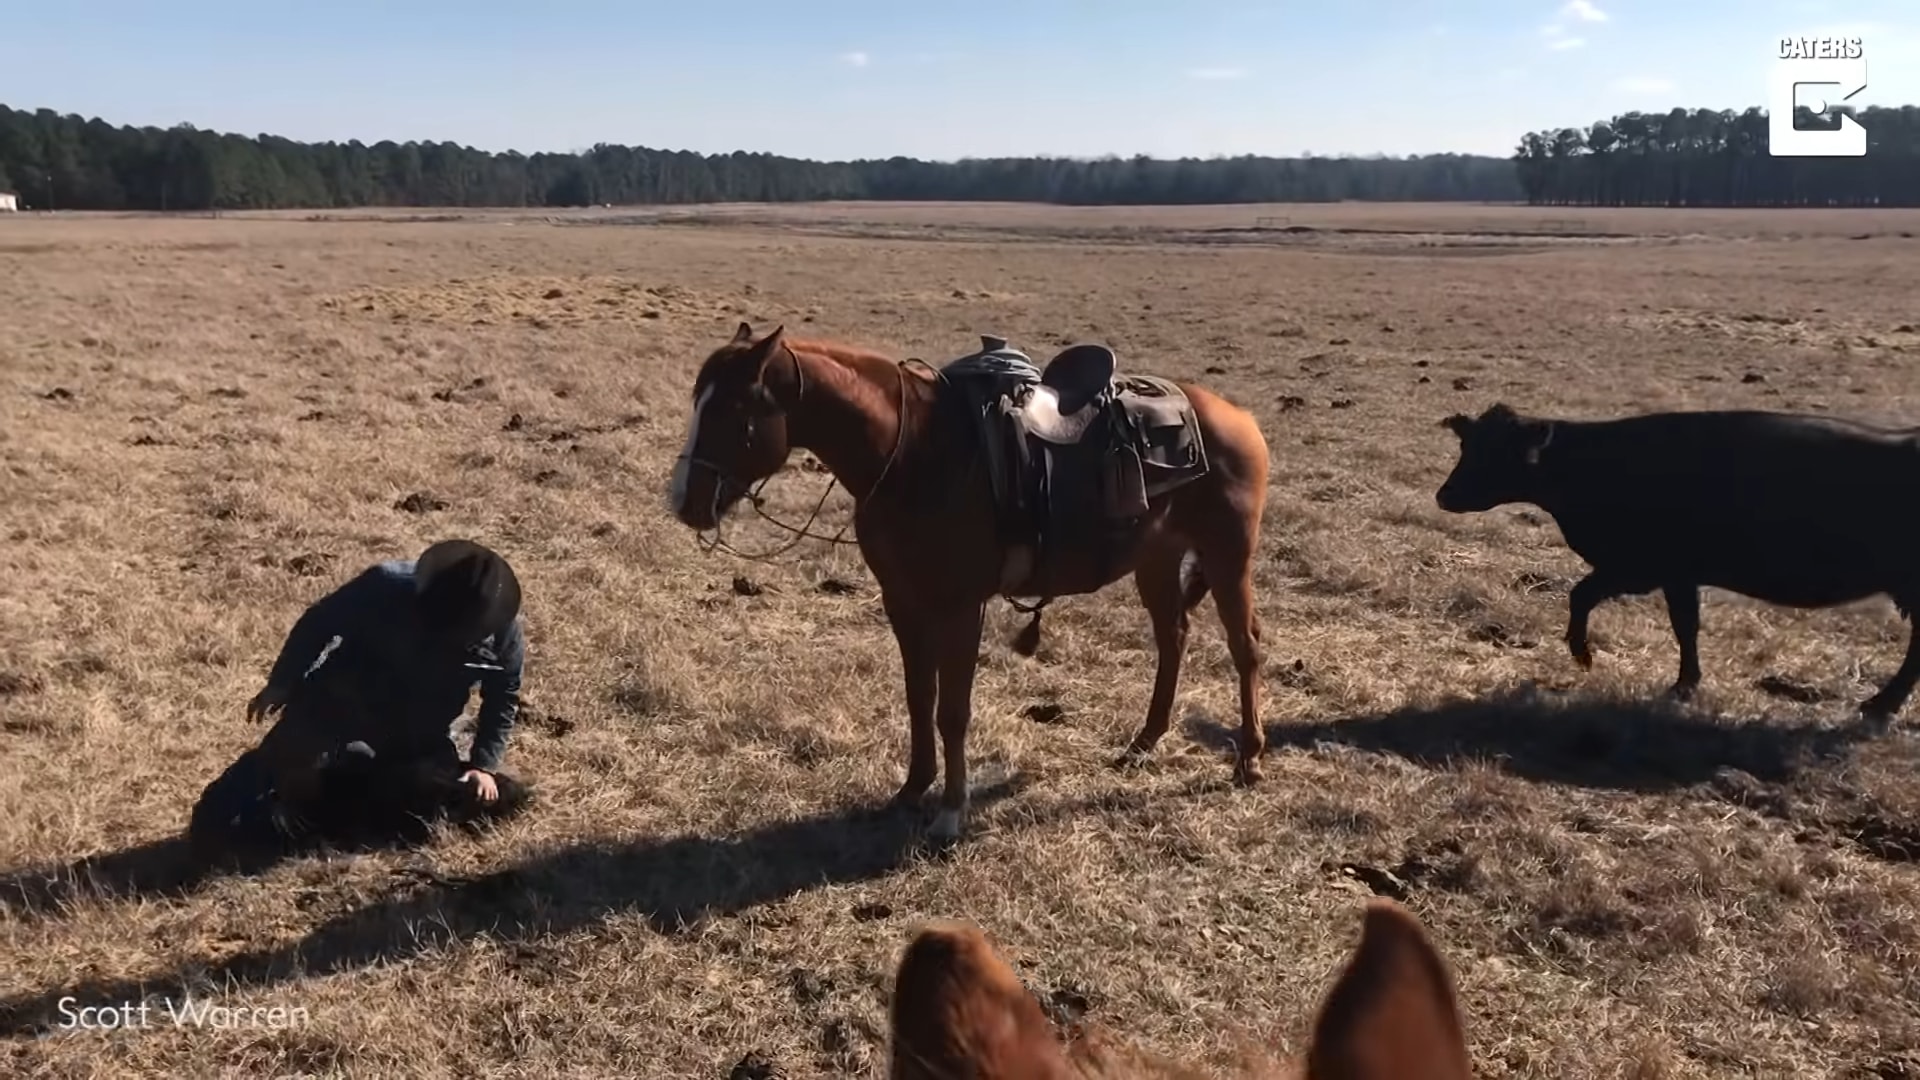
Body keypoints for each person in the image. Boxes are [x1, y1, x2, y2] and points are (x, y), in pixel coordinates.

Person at [189, 538, 532, 864]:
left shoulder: (502, 634)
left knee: (426, 807)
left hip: (417, 731)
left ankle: (352, 788)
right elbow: (318, 623)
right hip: (338, 708)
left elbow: (503, 697)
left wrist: (482, 766)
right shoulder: (385, 587)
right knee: (233, 814)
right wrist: (282, 683)